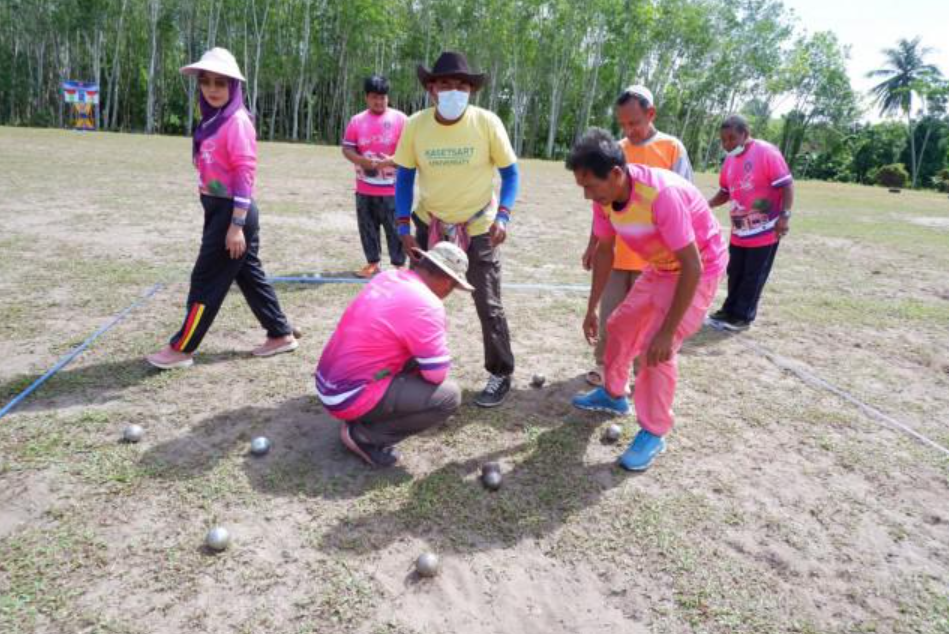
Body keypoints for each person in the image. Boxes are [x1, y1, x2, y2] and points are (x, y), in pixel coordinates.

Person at [567, 128, 727, 472]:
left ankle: (655, 433)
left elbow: (692, 265)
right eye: (582, 187)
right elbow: (606, 252)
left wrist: (668, 332)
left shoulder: (661, 195)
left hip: (699, 269)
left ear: (615, 174)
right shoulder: (605, 201)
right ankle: (613, 394)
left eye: (590, 186)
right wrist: (592, 307)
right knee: (620, 326)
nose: (586, 196)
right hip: (661, 266)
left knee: (656, 350)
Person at [146, 47, 297, 370]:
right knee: (248, 274)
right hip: (218, 210)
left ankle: (182, 348)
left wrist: (236, 225)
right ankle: (281, 333)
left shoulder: (237, 122)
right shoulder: (211, 120)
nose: (213, 89)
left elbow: (245, 175)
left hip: (234, 214)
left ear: (234, 87)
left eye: (221, 83)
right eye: (206, 82)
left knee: (205, 279)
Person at [393, 51, 520, 408]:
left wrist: (504, 216)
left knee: (488, 302)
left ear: (471, 90)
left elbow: (511, 174)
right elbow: (404, 177)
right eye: (445, 83)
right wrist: (403, 222)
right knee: (417, 299)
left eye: (461, 85)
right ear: (431, 88)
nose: (453, 90)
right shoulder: (416, 125)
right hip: (428, 222)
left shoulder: (487, 123)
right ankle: (411, 367)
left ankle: (500, 373)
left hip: (479, 225)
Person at [315, 242, 469, 467]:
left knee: (413, 358)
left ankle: (366, 413)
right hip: (346, 396)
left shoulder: (388, 277)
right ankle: (365, 437)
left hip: (327, 384)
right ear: (448, 282)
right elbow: (437, 375)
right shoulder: (428, 305)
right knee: (448, 397)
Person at [580, 85, 694, 387]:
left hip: (658, 258)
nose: (629, 130)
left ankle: (641, 372)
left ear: (651, 114)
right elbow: (602, 204)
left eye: (635, 123)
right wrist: (593, 243)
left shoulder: (672, 148)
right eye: (624, 124)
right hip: (621, 250)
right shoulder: (616, 150)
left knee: (649, 319)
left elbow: (684, 201)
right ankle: (606, 368)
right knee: (613, 314)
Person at [706, 114, 794, 332]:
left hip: (765, 228)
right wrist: (705, 204)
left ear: (745, 134)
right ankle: (729, 309)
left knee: (753, 274)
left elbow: (787, 185)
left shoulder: (766, 152)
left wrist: (785, 216)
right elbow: (725, 192)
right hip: (740, 230)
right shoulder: (729, 161)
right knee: (735, 270)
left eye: (732, 138)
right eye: (723, 140)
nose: (727, 144)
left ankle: (742, 316)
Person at [341, 75, 408, 278]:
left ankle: (399, 266)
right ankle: (372, 263)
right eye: (374, 97)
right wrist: (362, 161)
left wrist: (389, 161)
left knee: (396, 229)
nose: (379, 102)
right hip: (364, 189)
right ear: (366, 98)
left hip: (393, 189)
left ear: (388, 97)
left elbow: (410, 152)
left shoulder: (401, 120)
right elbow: (347, 149)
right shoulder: (357, 121)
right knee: (367, 227)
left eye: (383, 97)